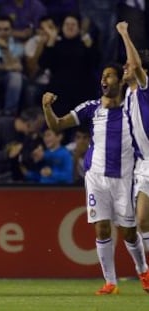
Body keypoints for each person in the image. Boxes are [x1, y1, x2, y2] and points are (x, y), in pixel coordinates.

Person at [42, 63, 149, 295]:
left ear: (120, 81)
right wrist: (46, 107)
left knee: (129, 232)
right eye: (103, 76)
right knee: (101, 228)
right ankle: (111, 282)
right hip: (96, 178)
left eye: (110, 76)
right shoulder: (91, 109)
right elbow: (57, 124)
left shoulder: (132, 108)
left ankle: (143, 270)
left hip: (125, 177)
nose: (104, 80)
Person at [117, 21, 149, 252]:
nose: (125, 68)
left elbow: (136, 65)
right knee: (142, 221)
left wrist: (125, 34)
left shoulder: (146, 86)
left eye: (128, 65)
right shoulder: (128, 94)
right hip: (143, 165)